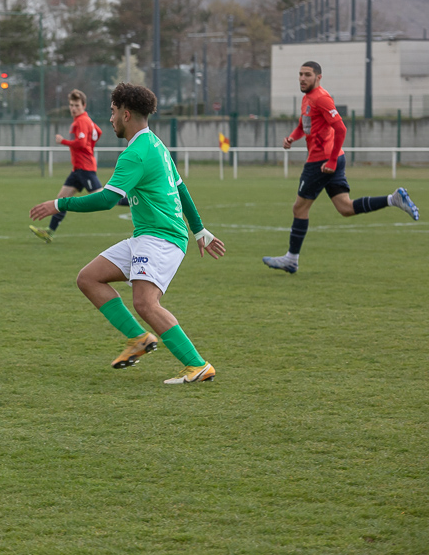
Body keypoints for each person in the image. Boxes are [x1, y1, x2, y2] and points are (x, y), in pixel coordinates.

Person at [30, 83, 226, 385]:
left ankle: (197, 365)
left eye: (112, 112)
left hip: (161, 239)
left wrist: (59, 203)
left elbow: (107, 199)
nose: (110, 119)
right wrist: (199, 229)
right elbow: (182, 188)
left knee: (145, 303)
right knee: (89, 278)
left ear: (126, 113)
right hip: (148, 235)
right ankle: (138, 338)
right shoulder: (156, 145)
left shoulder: (136, 152)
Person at [263, 61, 419, 274]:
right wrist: (292, 137)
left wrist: (332, 161)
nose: (302, 78)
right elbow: (303, 126)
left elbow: (341, 129)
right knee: (345, 208)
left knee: (299, 208)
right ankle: (394, 199)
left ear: (318, 77)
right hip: (329, 160)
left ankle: (291, 259)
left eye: (307, 75)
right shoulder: (306, 99)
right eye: (300, 74)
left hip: (322, 162)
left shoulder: (321, 98)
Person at [30, 89, 103, 242]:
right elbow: (98, 132)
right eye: (71, 105)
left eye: (76, 105)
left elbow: (82, 143)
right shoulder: (87, 120)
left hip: (85, 168)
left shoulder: (81, 121)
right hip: (78, 169)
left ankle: (136, 201)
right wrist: (91, 146)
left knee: (105, 198)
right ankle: (49, 232)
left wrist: (62, 141)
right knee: (61, 199)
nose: (73, 108)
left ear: (84, 105)